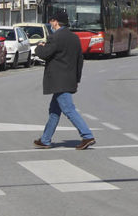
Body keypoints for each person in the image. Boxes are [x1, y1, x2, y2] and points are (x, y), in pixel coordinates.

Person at [33, 8, 95, 150]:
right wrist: (77, 79)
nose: (50, 24)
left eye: (52, 21)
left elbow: (44, 54)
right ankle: (45, 139)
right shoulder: (74, 38)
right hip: (69, 79)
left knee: (68, 109)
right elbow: (80, 60)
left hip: (58, 81)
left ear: (56, 22)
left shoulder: (56, 37)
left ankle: (87, 135)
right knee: (54, 110)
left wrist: (39, 47)